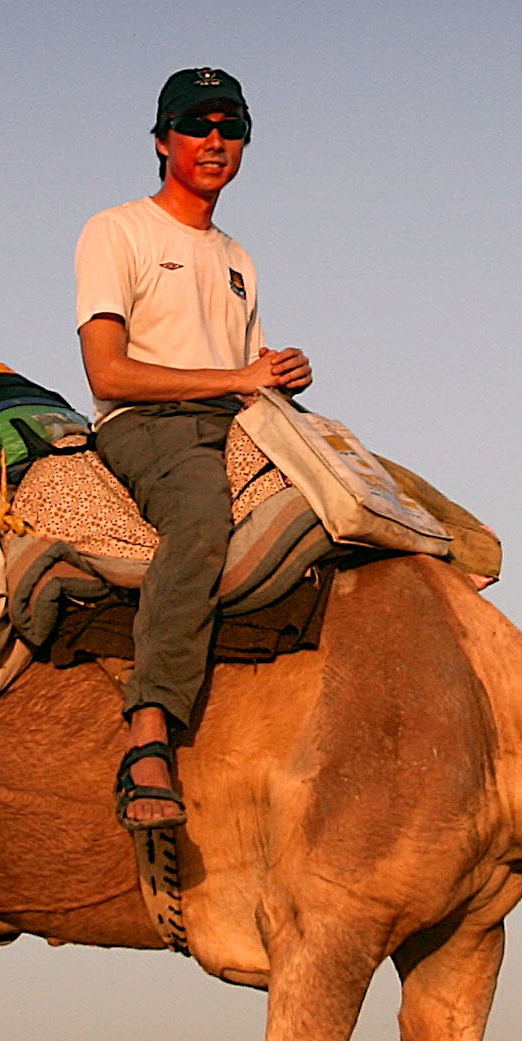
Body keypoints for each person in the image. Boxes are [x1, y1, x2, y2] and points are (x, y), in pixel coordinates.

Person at [75, 66, 312, 833]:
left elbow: (247, 369)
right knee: (202, 523)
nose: (214, 140)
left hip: (236, 418)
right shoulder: (118, 230)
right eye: (196, 126)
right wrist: (237, 378)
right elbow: (107, 372)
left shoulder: (238, 258)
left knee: (354, 487)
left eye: (229, 127)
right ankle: (148, 733)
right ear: (161, 140)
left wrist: (277, 372)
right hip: (149, 425)